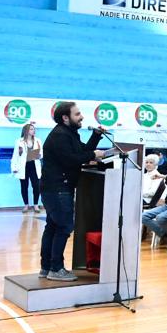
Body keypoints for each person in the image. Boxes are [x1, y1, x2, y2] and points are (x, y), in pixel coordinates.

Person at [38, 102, 105, 281]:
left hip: (58, 188)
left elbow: (82, 150)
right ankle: (56, 268)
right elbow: (71, 159)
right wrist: (94, 155)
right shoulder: (60, 135)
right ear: (65, 118)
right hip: (58, 189)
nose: (81, 117)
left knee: (53, 226)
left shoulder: (68, 133)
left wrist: (96, 136)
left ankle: (47, 267)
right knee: (64, 226)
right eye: (77, 114)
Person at [11, 122, 42, 212]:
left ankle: (36, 205)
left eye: (34, 129)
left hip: (34, 165)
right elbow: (15, 156)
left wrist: (39, 155)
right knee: (24, 186)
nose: (34, 131)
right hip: (23, 166)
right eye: (32, 129)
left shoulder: (38, 140)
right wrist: (14, 168)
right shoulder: (19, 141)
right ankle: (26, 205)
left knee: (36, 186)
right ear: (26, 131)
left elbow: (41, 153)